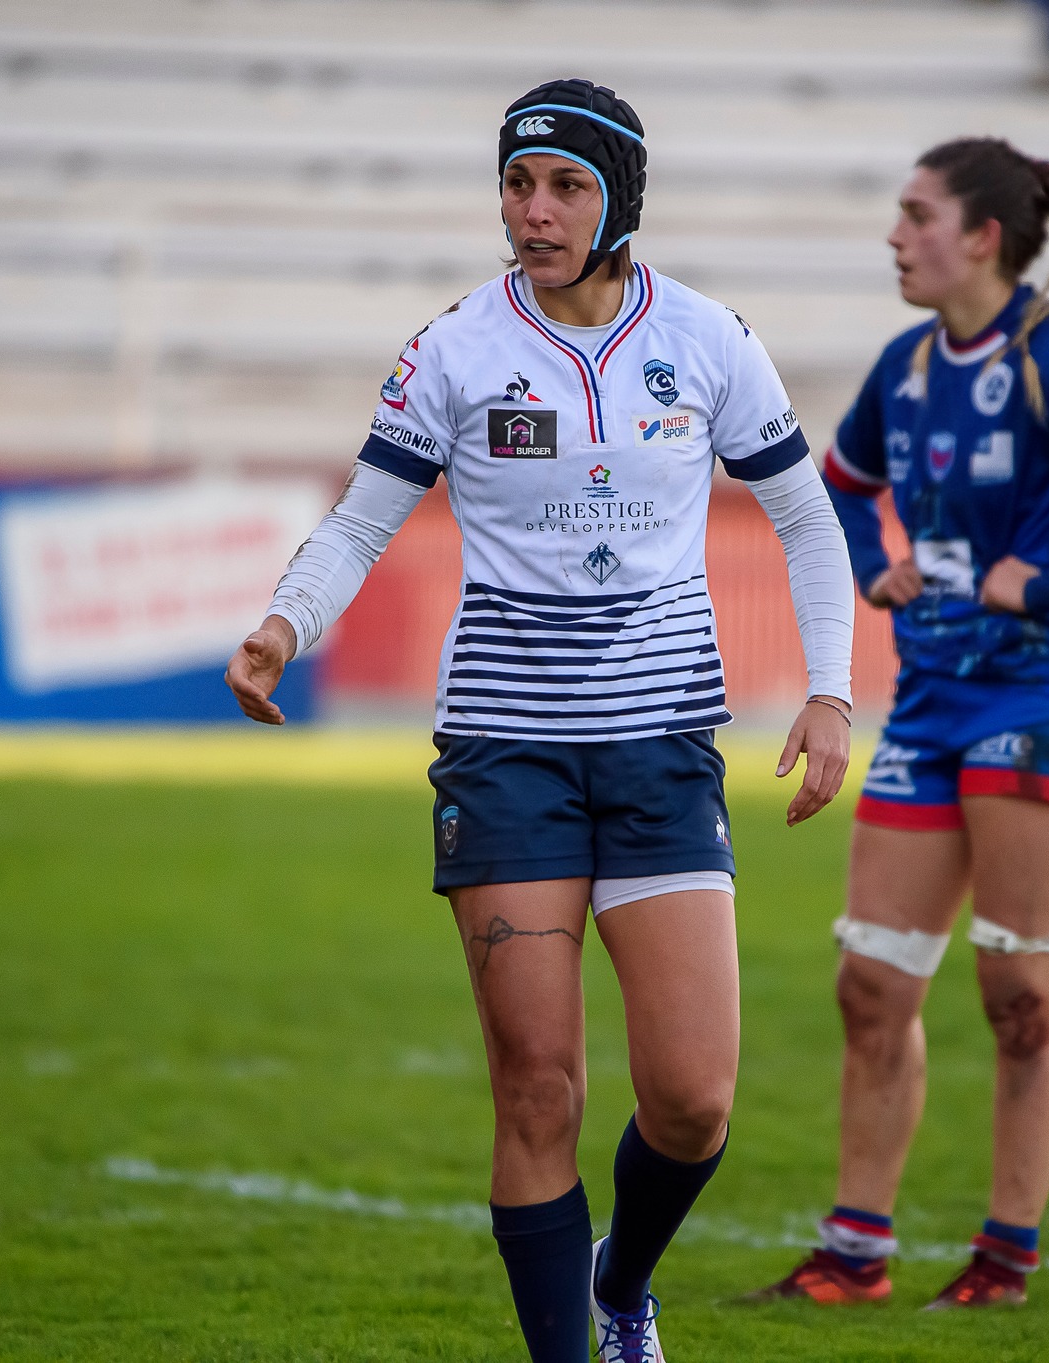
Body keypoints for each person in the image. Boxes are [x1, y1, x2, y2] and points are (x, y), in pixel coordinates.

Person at [226, 79, 855, 1362]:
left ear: (619, 199)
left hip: (662, 746)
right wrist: (283, 624)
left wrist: (830, 690)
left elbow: (804, 517)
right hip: (505, 753)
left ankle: (622, 1286)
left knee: (692, 1100)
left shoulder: (709, 339)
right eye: (517, 185)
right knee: (537, 1091)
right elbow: (360, 522)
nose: (534, 211)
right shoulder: (453, 348)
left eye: (566, 186)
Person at [743, 137, 1049, 1310]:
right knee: (868, 985)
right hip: (931, 707)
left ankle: (1003, 1260)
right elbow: (837, 485)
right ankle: (854, 1254)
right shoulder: (903, 367)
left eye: (916, 215)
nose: (894, 236)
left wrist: (1048, 582)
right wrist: (872, 565)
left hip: (1046, 701)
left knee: (1018, 998)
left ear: (982, 237)